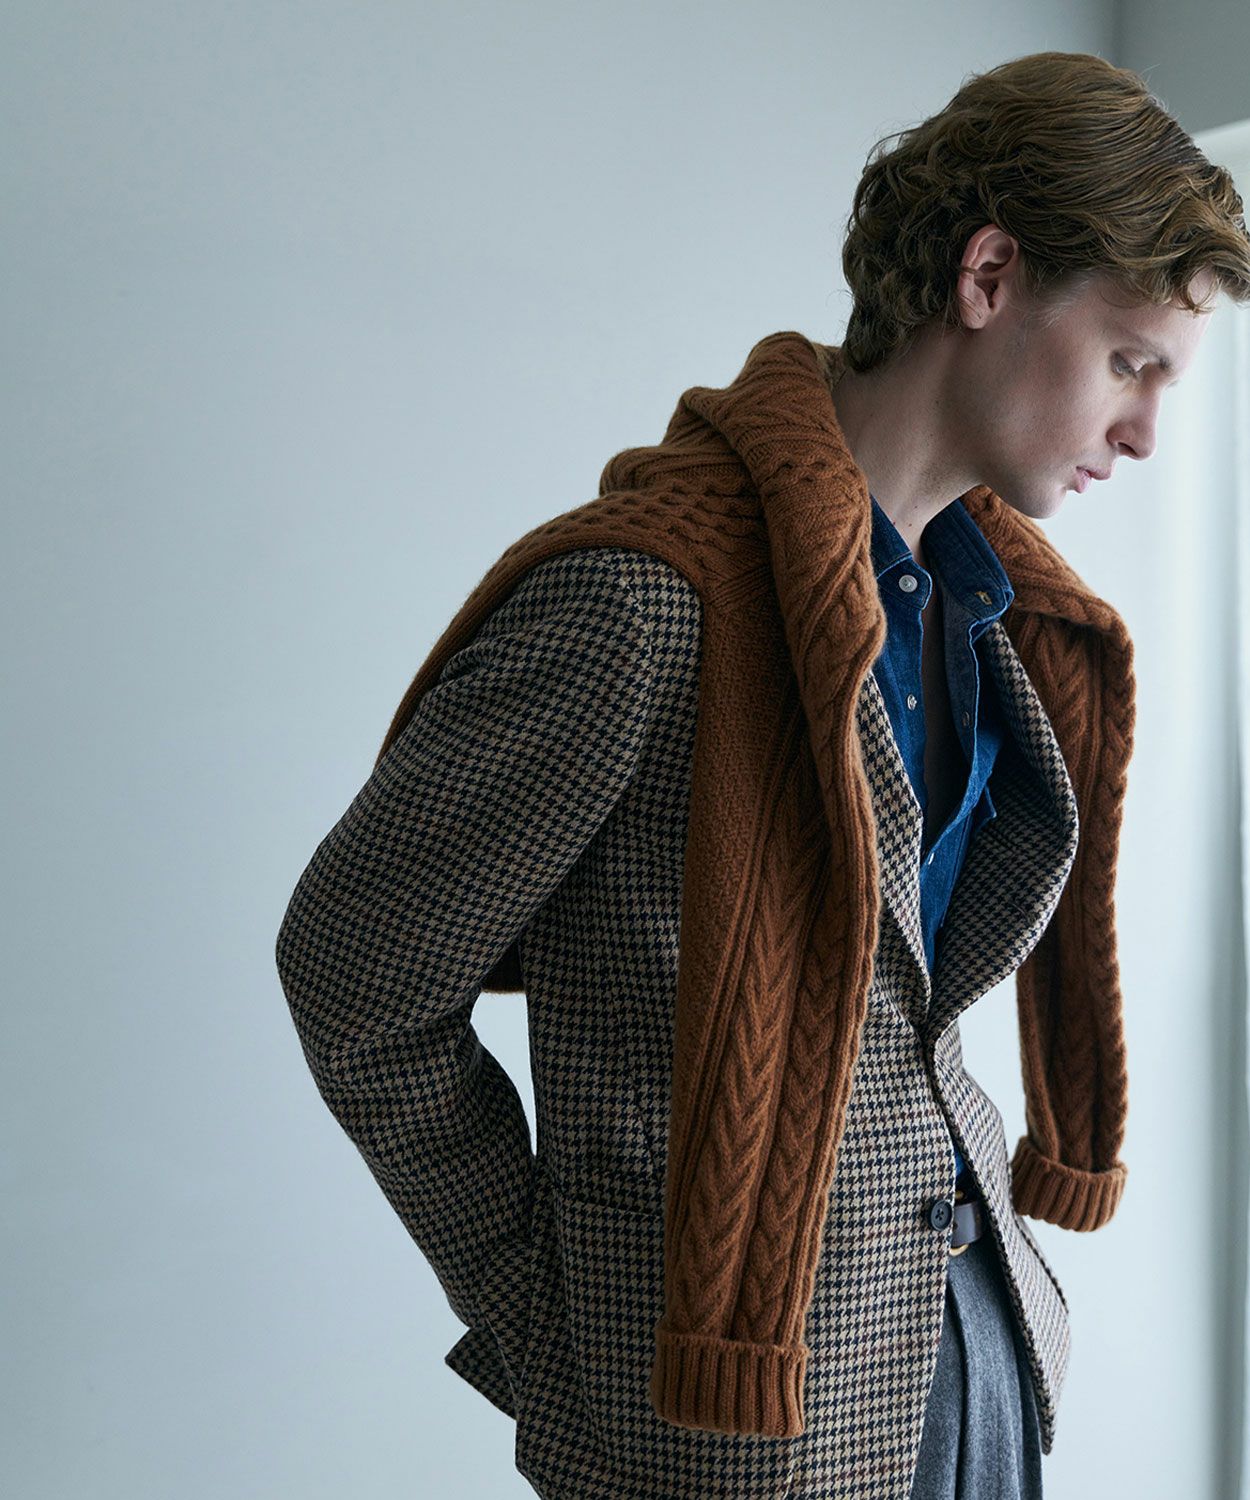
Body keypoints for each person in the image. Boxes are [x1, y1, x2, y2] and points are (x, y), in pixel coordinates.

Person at [274, 50, 1250, 1500]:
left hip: (973, 1366)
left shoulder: (994, 621)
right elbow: (356, 983)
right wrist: (553, 1329)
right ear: (989, 276)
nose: (1146, 433)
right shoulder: (640, 604)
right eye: (1129, 362)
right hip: (732, 1433)